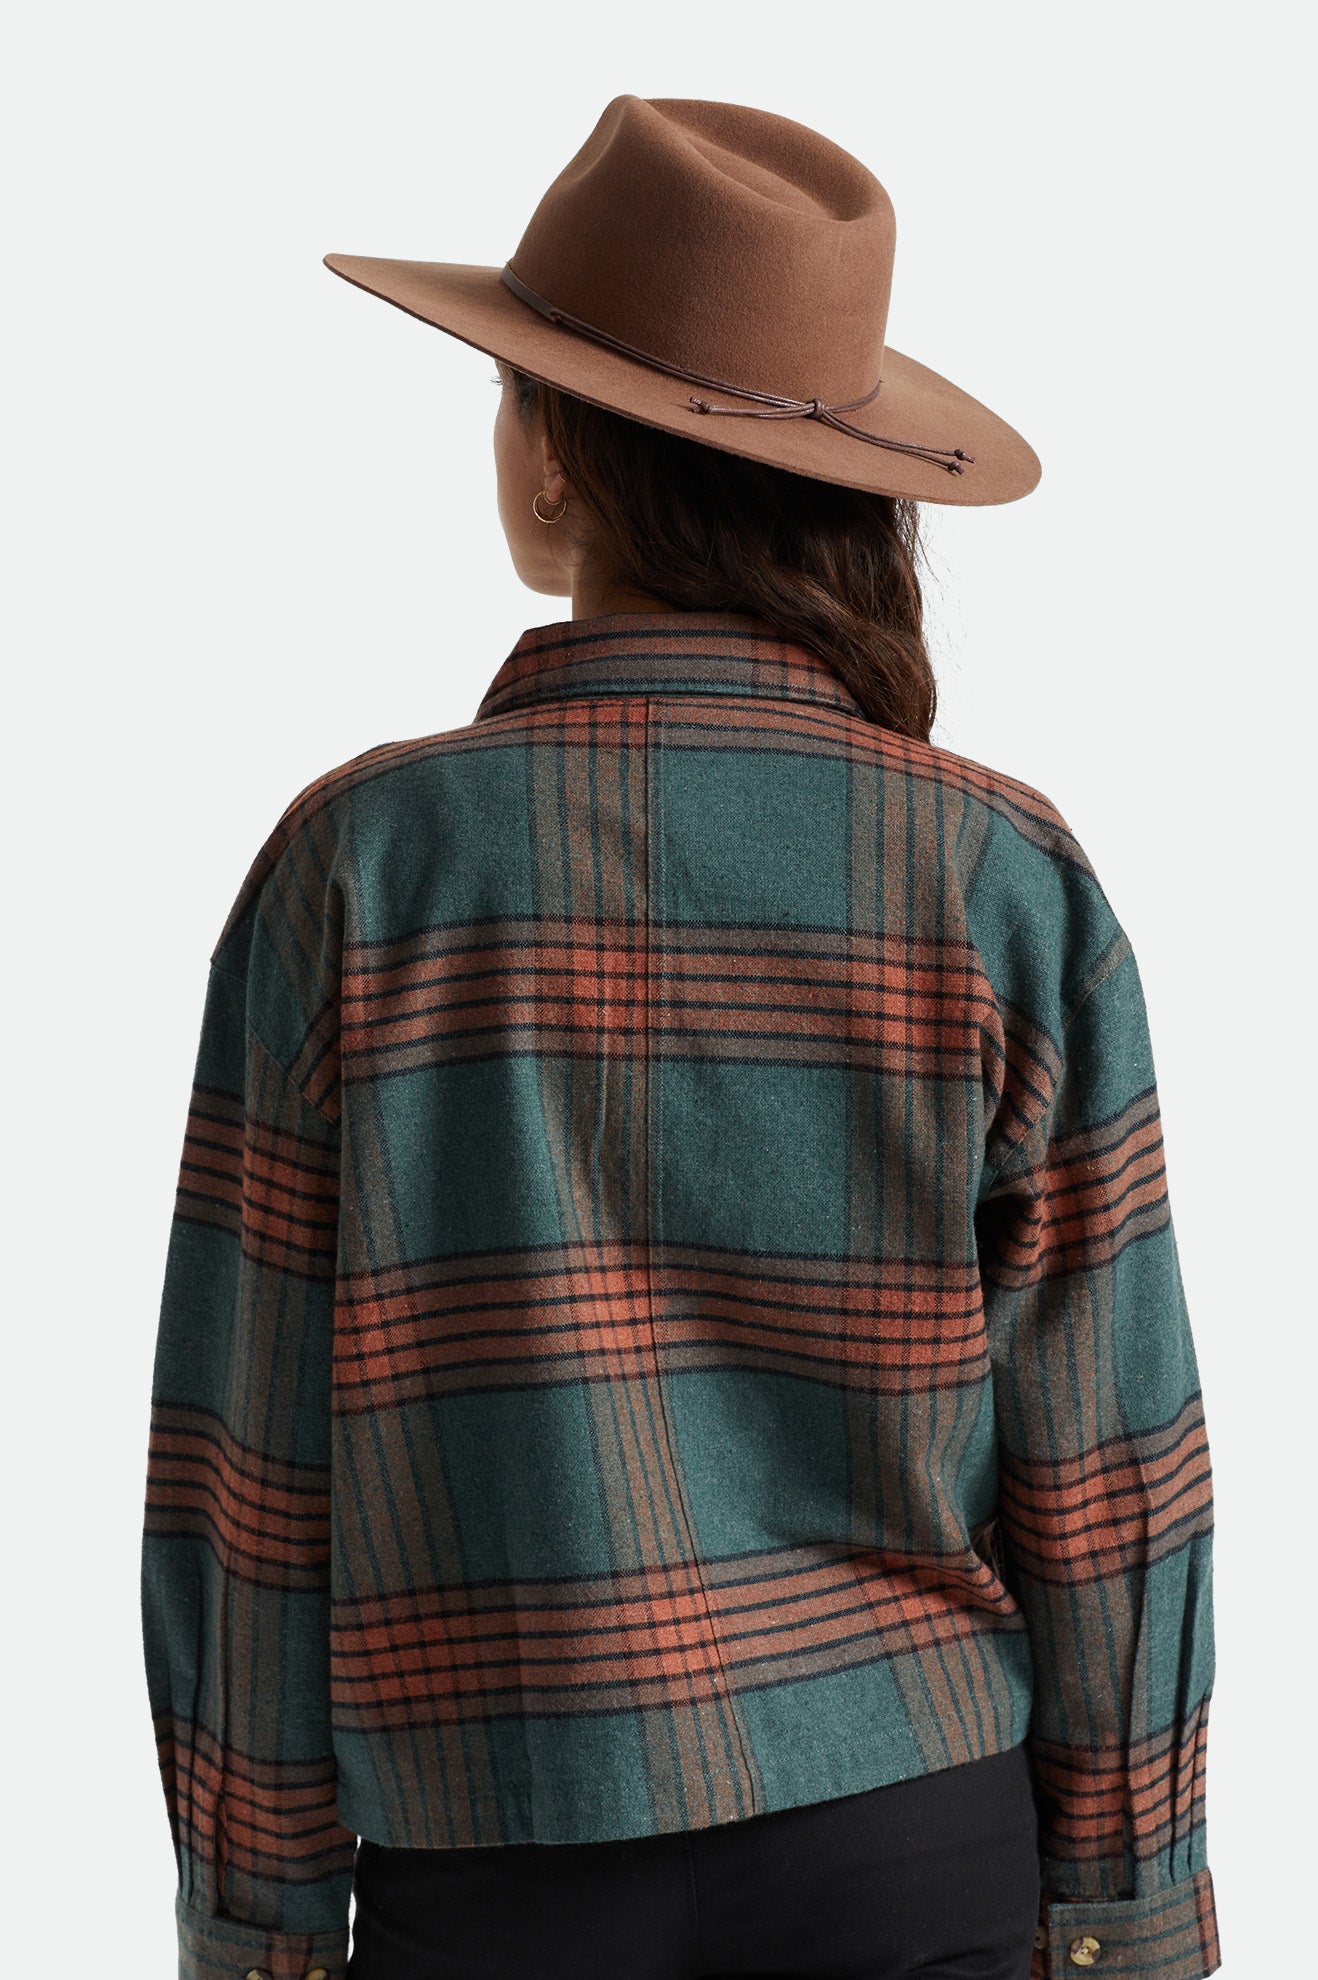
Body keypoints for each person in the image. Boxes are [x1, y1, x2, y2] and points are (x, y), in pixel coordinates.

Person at [140, 95, 1220, 1980]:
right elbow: (1111, 1466)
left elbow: (249, 1468)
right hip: (912, 1835)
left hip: (496, 1852)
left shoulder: (365, 864)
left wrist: (261, 1927)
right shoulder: (994, 874)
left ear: (560, 454)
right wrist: (1126, 1916)